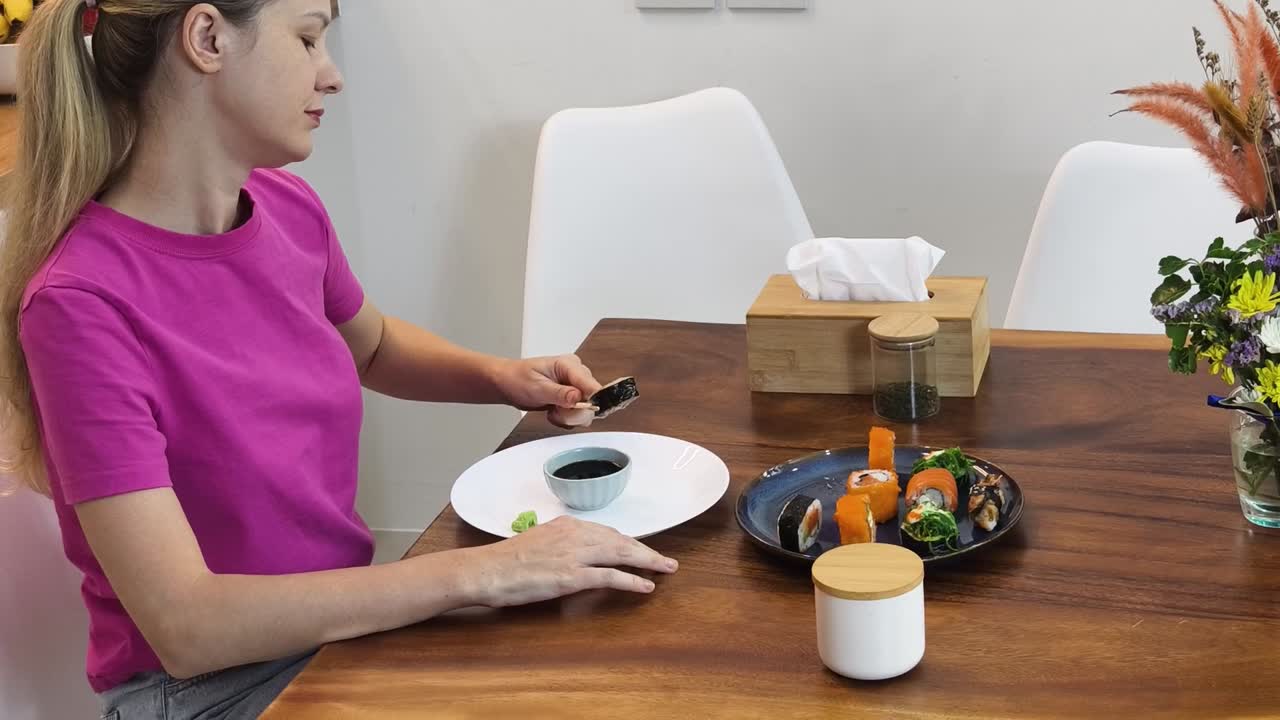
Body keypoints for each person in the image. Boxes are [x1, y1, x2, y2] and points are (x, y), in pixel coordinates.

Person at [0, 1, 679, 717]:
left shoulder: (288, 210)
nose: (332, 76)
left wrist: (504, 379)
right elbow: (188, 628)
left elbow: (375, 346)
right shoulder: (80, 305)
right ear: (207, 39)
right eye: (307, 37)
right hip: (209, 689)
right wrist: (487, 573)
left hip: (337, 635)